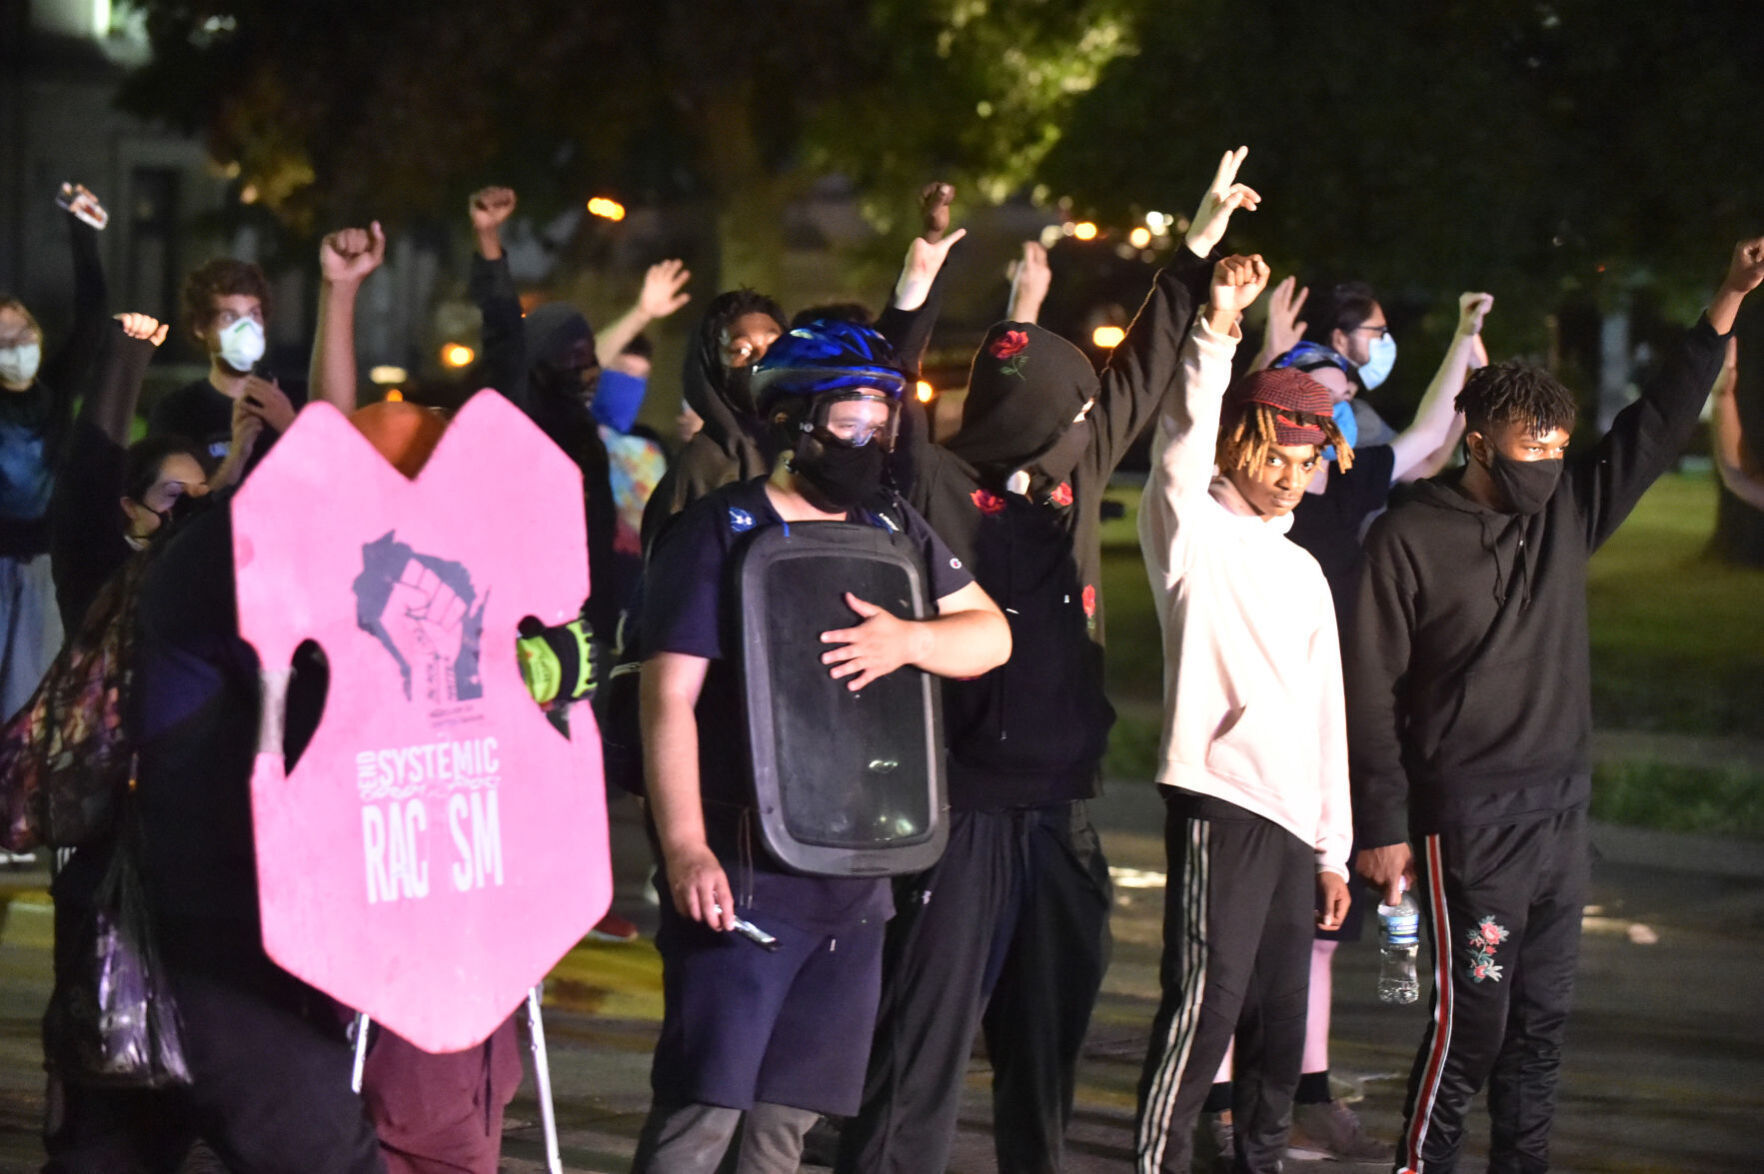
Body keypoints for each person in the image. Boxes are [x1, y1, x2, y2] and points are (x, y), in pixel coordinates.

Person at [838, 147, 1256, 1174]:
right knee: (922, 1049)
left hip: (1061, 813)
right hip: (964, 810)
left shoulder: (1068, 482)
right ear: (1029, 414)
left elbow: (1143, 369)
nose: (1088, 420)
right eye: (1070, 409)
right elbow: (885, 401)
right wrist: (917, 285)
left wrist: (1194, 246)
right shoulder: (935, 484)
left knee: (1047, 1039)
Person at [1348, 237, 1764, 1174]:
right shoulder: (1408, 538)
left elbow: (1655, 426)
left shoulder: (1566, 512)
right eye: (1536, 447)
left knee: (1541, 1033)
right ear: (1484, 441)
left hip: (1559, 822)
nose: (1552, 462)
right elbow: (1367, 690)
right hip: (1472, 826)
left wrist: (1726, 300)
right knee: (1474, 1029)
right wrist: (1380, 825)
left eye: (1562, 447)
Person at [632, 319, 1010, 1173]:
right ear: (793, 420)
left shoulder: (890, 521)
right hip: (745, 872)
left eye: (882, 416)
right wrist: (687, 849)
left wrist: (909, 642)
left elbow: (990, 635)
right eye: (850, 418)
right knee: (704, 1114)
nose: (869, 436)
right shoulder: (714, 531)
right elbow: (669, 699)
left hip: (855, 878)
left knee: (785, 1125)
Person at [1134, 253, 1354, 1174]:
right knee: (1206, 1000)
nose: (1296, 478)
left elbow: (1324, 714)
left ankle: (1258, 1158)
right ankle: (1159, 1159)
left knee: (1276, 1014)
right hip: (1220, 797)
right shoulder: (1194, 536)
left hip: (1291, 824)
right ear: (1243, 445)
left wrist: (1332, 846)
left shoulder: (1302, 570)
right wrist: (1219, 330)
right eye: (1282, 458)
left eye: (1310, 463)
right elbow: (1180, 442)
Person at [0, 187, 112, 718]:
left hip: (45, 563)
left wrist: (82, 236)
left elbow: (92, 318)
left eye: (22, 333)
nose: (17, 346)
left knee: (31, 699)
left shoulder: (55, 387)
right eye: (3, 340)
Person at [49, 311, 211, 635]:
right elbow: (92, 475)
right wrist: (123, 356)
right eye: (174, 494)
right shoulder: (100, 566)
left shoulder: (207, 573)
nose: (188, 506)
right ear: (130, 506)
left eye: (199, 493)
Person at [149, 256, 302, 480]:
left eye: (253, 315)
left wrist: (289, 425)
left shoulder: (297, 399)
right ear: (201, 327)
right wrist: (238, 453)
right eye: (229, 317)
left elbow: (336, 481)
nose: (246, 329)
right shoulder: (176, 414)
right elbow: (183, 510)